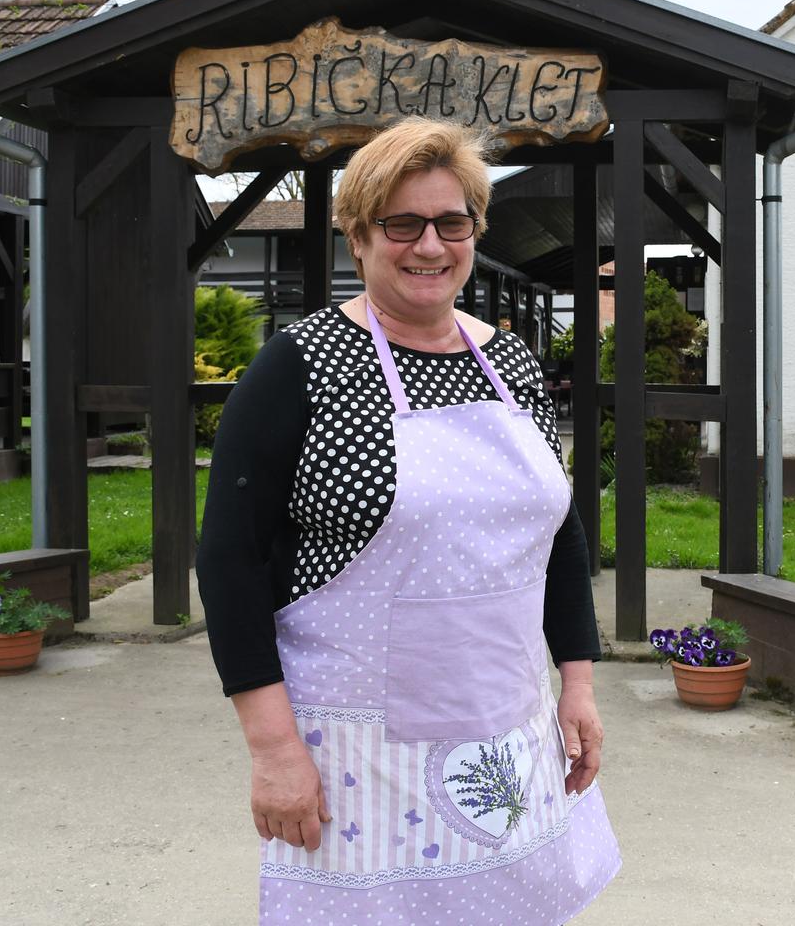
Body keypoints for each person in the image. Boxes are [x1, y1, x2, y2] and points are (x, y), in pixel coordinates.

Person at [196, 116, 621, 925]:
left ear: (473, 232)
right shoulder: (301, 363)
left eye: (451, 222)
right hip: (353, 748)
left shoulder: (512, 360)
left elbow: (557, 535)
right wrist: (272, 749)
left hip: (506, 729)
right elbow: (229, 561)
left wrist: (578, 683)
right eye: (402, 224)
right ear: (358, 236)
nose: (429, 245)